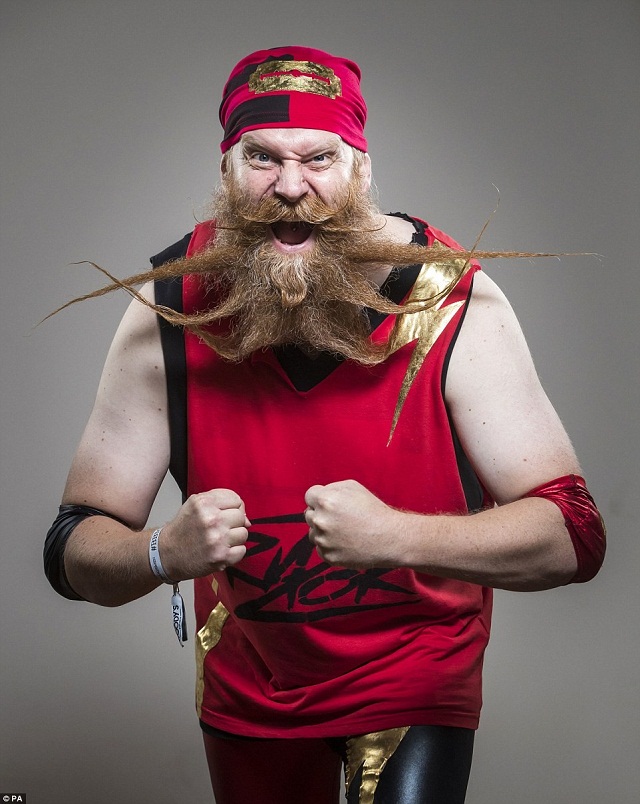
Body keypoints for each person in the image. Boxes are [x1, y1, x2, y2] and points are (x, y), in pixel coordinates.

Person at [44, 46, 606, 804]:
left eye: (319, 157)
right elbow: (73, 545)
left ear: (360, 168)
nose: (290, 187)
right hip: (252, 683)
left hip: (414, 667)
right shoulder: (170, 313)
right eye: (261, 157)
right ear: (226, 169)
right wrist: (157, 552)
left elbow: (573, 536)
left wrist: (397, 537)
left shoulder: (451, 299)